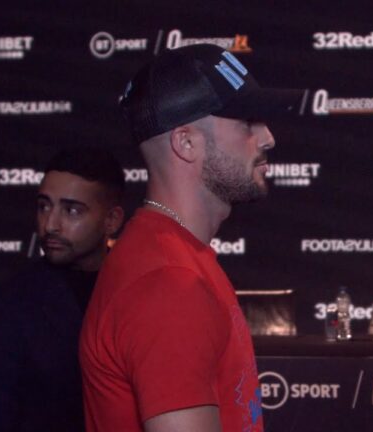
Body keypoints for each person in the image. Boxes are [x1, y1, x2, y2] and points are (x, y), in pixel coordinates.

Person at [79, 44, 303, 432]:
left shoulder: (177, 257)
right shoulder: (168, 283)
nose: (267, 137)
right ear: (185, 143)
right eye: (247, 121)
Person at [0, 148, 125, 432]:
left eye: (72, 211)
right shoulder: (6, 306)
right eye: (44, 206)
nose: (51, 224)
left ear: (112, 220)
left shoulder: (137, 296)